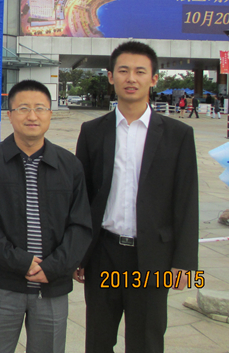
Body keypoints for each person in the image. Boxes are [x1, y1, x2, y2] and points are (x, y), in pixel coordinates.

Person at [74, 41, 199, 353]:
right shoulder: (92, 131)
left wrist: (184, 262)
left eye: (140, 72)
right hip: (104, 254)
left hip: (153, 258)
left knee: (146, 341)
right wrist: (78, 253)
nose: (131, 78)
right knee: (98, 340)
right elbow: (81, 197)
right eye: (123, 71)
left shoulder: (178, 135)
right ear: (111, 77)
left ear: (153, 79)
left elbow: (186, 201)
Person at [0, 80, 91, 353]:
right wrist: (21, 262)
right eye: (23, 108)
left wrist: (53, 267)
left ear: (50, 114)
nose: (32, 116)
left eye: (40, 108)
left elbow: (80, 224)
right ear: (10, 114)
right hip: (2, 284)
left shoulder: (69, 165)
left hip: (52, 285)